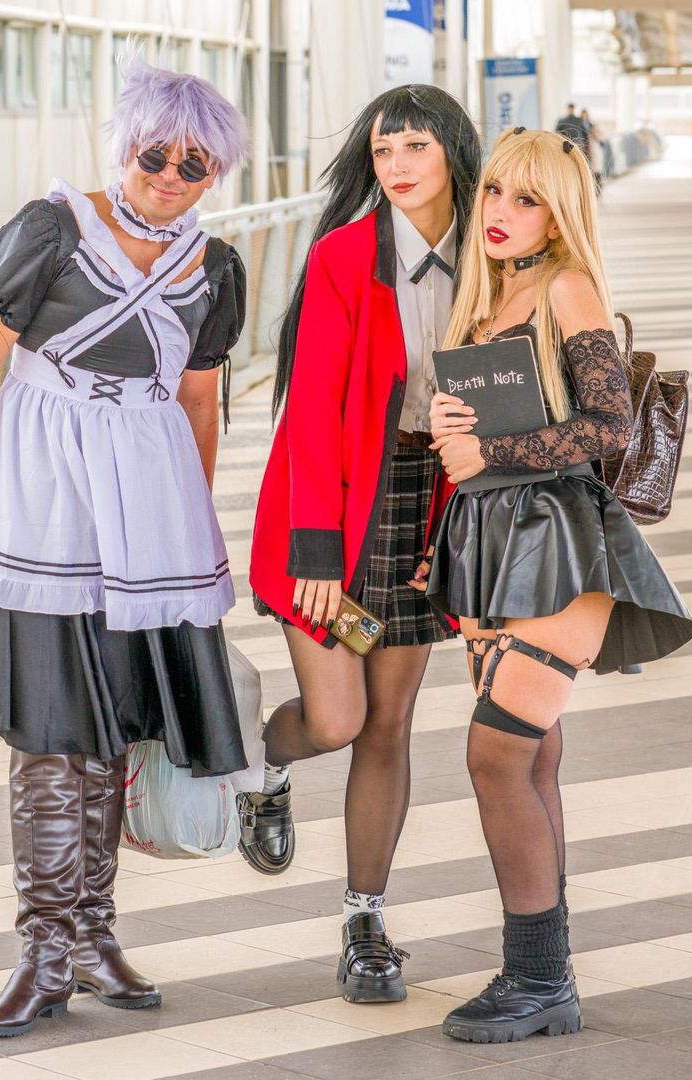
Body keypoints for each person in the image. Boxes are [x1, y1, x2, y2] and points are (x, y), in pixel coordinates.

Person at [0, 63, 249, 1038]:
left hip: (151, 517)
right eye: (155, 155)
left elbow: (197, 401)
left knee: (116, 732)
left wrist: (192, 525)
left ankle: (93, 937)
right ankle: (45, 952)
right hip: (42, 504)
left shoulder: (214, 268)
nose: (171, 175)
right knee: (52, 735)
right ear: (124, 147)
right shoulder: (50, 232)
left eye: (194, 164)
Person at [424, 126, 692, 1043]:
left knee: (496, 756)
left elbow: (610, 425)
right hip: (493, 541)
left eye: (527, 198)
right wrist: (452, 429)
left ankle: (538, 977)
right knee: (532, 756)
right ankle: (546, 975)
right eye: (495, 192)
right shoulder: (487, 295)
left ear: (560, 212)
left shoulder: (567, 285)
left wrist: (489, 451)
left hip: (560, 541)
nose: (501, 212)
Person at [246, 84, 480, 1002]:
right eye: (384, 151)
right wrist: (313, 551)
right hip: (334, 516)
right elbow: (308, 410)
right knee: (336, 718)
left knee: (388, 724)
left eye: (415, 146)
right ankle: (264, 762)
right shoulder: (345, 257)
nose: (396, 166)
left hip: (424, 508)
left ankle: (364, 923)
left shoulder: (491, 256)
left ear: (453, 152)